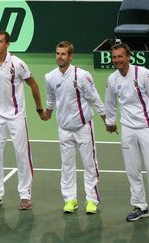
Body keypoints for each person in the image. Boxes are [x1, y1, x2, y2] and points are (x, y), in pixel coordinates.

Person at [0, 30, 45, 210]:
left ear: (7, 44)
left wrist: (38, 108)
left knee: (22, 154)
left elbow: (33, 84)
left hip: (16, 115)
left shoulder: (18, 64)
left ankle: (25, 194)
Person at [105, 43, 149, 228]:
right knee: (132, 169)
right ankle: (140, 206)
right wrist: (110, 121)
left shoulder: (144, 74)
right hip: (127, 129)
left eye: (120, 57)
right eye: (114, 58)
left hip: (146, 127)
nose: (117, 61)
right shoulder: (112, 79)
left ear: (128, 57)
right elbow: (110, 102)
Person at [42, 41, 105, 214]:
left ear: (70, 56)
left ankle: (91, 200)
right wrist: (48, 112)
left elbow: (94, 97)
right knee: (67, 165)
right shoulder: (50, 77)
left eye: (63, 54)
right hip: (64, 129)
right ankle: (70, 200)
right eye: (57, 53)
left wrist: (105, 117)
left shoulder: (83, 75)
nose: (60, 57)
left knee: (90, 165)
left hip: (83, 127)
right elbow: (50, 98)